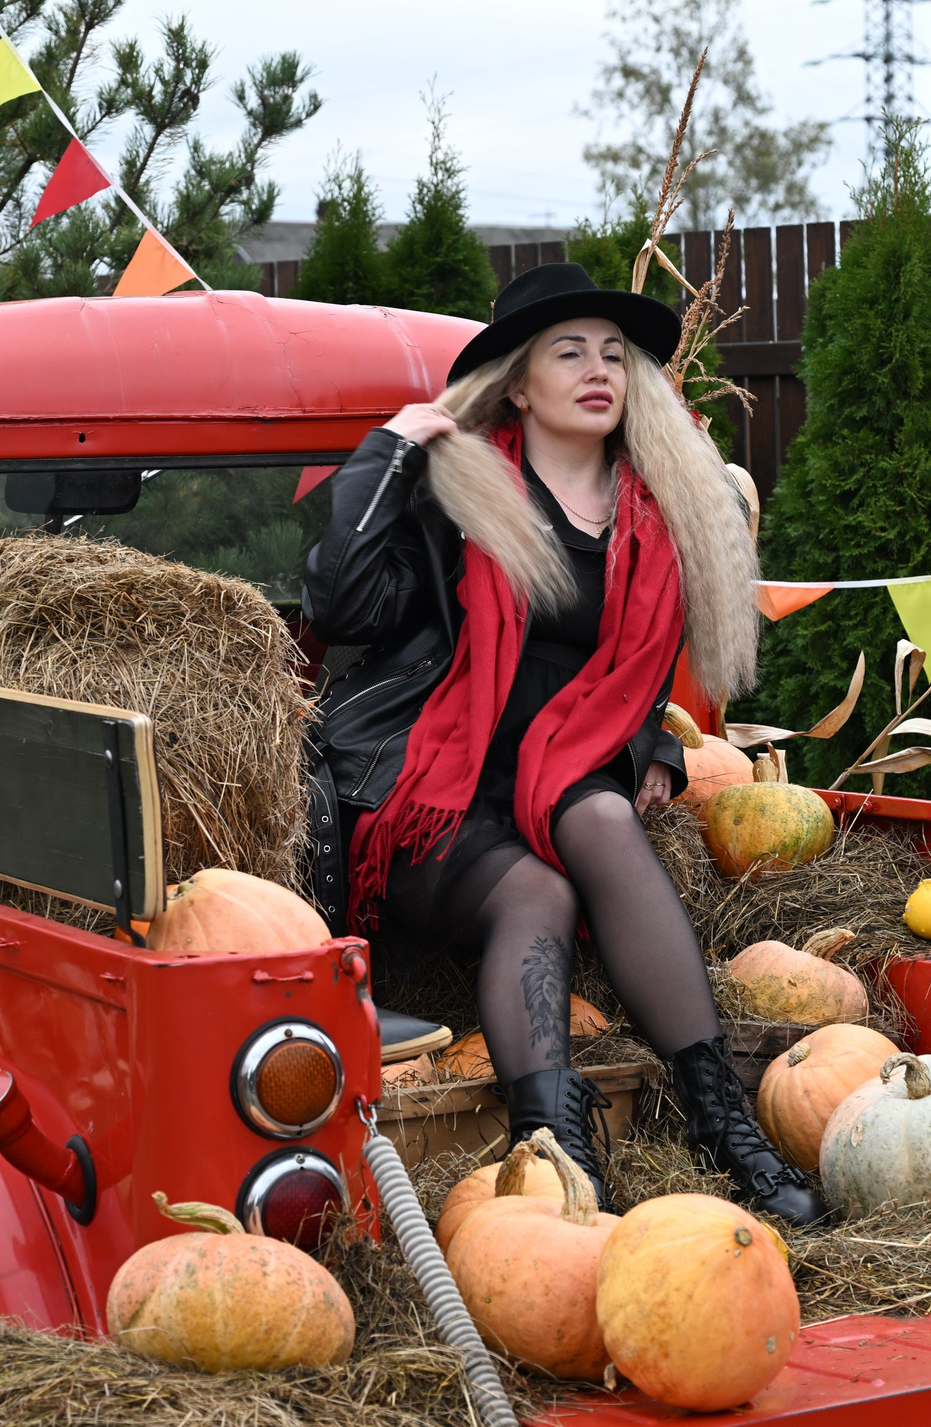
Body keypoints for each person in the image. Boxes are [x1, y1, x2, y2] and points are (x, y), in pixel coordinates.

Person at [300, 262, 826, 1225]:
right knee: (539, 892)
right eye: (569, 352)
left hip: (563, 773)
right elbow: (341, 606)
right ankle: (559, 1150)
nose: (598, 371)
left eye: (614, 356)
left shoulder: (657, 516)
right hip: (438, 782)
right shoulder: (456, 499)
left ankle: (725, 1123)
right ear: (517, 383)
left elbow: (630, 672)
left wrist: (655, 743)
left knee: (605, 820)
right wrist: (390, 451)